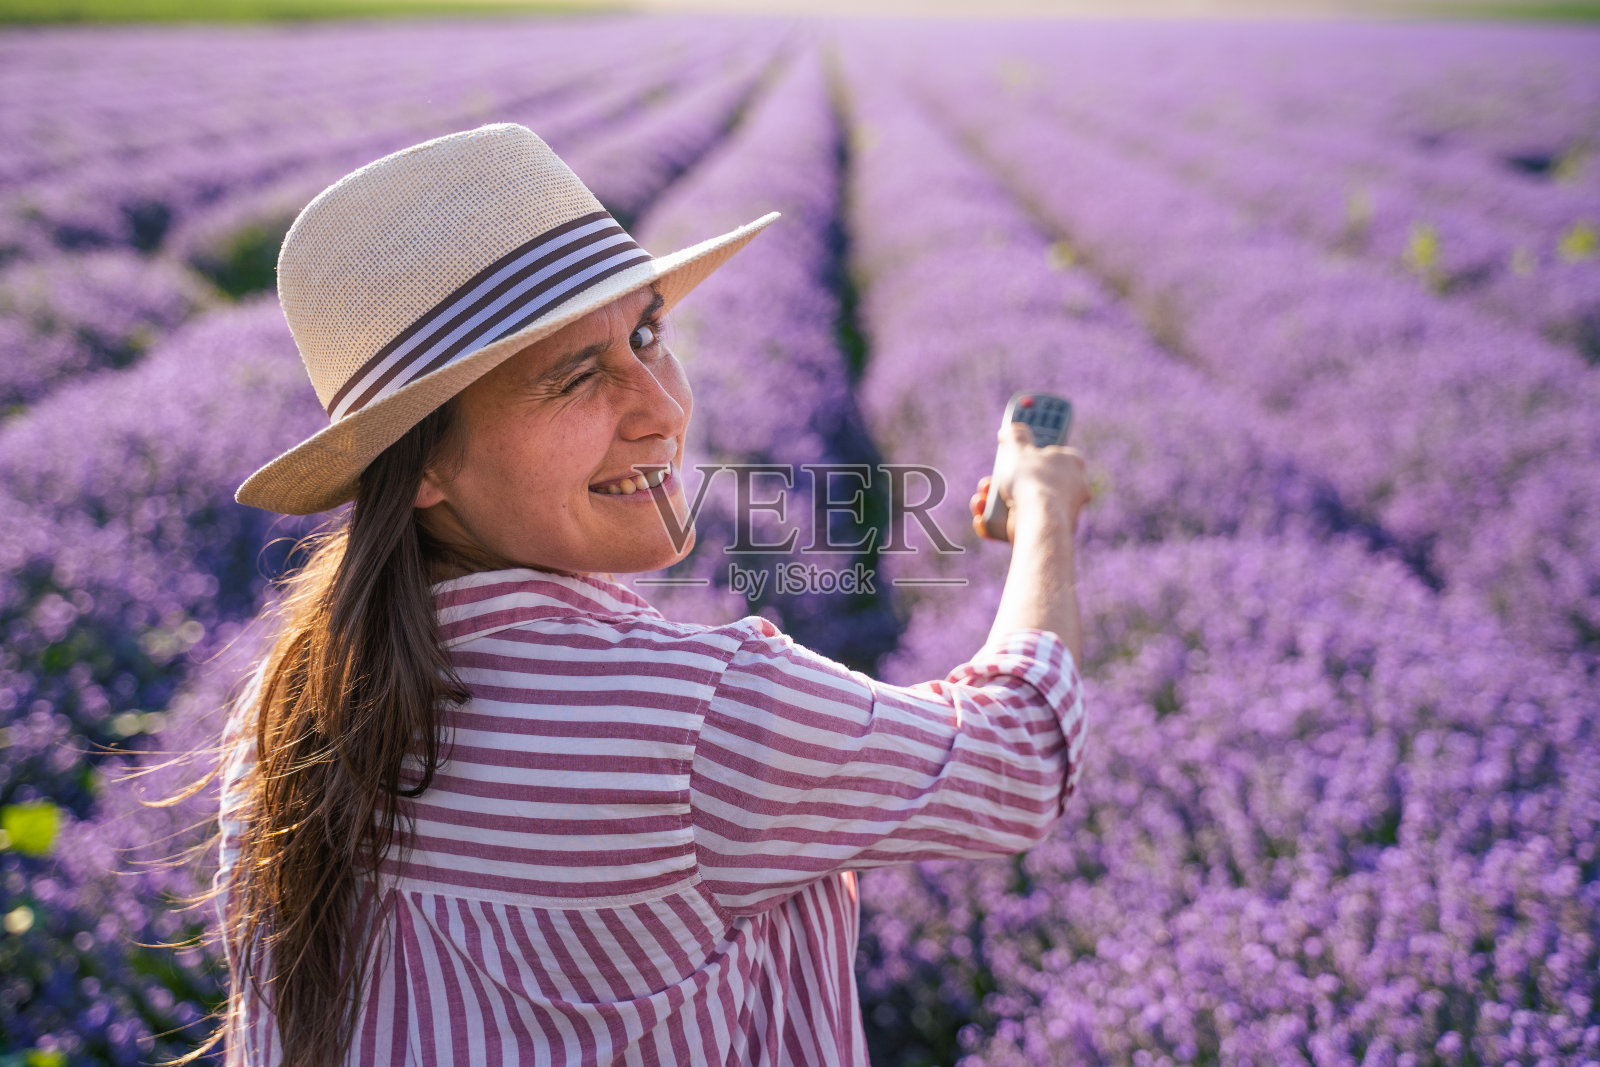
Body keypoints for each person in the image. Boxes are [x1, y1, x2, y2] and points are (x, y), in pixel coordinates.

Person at [206, 123, 1092, 1067]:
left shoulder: (284, 709)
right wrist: (1044, 510)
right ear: (423, 464)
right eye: (575, 378)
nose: (663, 408)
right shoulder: (688, 718)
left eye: (644, 334)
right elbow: (1020, 756)